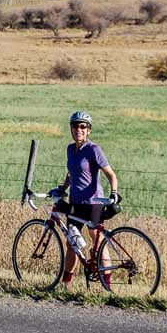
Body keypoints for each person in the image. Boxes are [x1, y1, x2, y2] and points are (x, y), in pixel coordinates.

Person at [54, 111, 119, 289]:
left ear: (89, 130)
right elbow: (71, 173)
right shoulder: (70, 149)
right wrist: (62, 188)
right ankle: (65, 284)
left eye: (83, 126)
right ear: (71, 129)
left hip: (93, 203)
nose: (79, 129)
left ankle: (107, 284)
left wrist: (114, 193)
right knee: (71, 243)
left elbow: (111, 175)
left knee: (96, 241)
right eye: (75, 126)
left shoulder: (94, 150)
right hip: (75, 203)